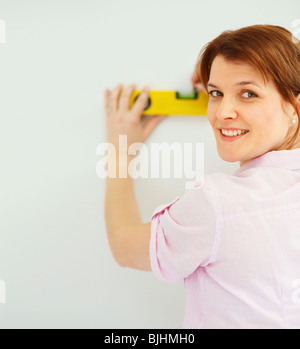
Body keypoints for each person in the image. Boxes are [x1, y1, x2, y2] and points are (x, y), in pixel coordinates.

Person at [104, 24, 300, 329]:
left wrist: (118, 152)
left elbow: (125, 248)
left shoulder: (216, 203)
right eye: (216, 93)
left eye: (248, 94)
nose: (222, 112)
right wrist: (220, 63)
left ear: (294, 106)